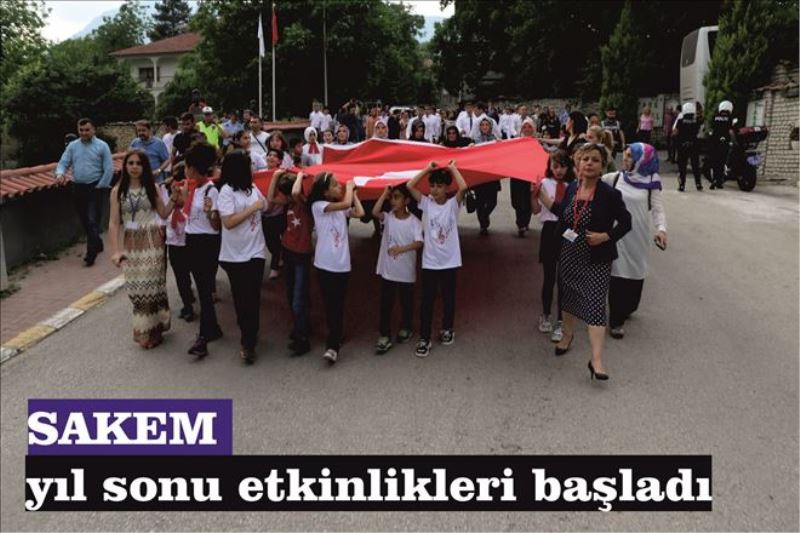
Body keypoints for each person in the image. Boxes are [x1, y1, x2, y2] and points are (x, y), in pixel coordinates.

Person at [534, 143, 631, 381]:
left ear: (602, 166)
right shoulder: (573, 188)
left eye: (595, 160)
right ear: (578, 164)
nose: (589, 163)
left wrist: (606, 236)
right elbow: (562, 212)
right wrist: (540, 195)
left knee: (596, 305)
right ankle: (567, 335)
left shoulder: (609, 194)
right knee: (568, 298)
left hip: (596, 258)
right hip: (569, 254)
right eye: (585, 159)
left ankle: (596, 360)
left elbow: (626, 222)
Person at [108, 150, 176, 348]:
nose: (134, 167)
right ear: (125, 166)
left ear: (144, 167)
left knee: (151, 286)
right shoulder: (117, 191)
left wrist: (174, 198)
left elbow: (163, 213)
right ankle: (151, 327)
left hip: (152, 240)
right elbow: (113, 223)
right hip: (131, 243)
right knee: (136, 290)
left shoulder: (152, 187)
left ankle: (150, 332)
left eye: (139, 163)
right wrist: (116, 251)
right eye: (130, 163)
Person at [602, 143, 667, 339]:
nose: (625, 158)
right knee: (618, 274)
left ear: (642, 160)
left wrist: (661, 229)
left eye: (630, 156)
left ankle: (628, 307)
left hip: (638, 237)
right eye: (625, 154)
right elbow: (590, 183)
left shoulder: (652, 182)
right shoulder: (614, 178)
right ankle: (616, 321)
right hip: (617, 235)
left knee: (636, 274)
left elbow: (658, 209)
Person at [406, 161, 469, 358]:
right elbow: (409, 185)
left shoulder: (452, 205)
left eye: (439, 186)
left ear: (447, 188)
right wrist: (427, 169)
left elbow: (464, 187)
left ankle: (447, 328)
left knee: (449, 297)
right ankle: (424, 338)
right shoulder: (426, 203)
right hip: (430, 262)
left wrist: (453, 169)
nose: (434, 190)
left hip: (450, 261)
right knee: (427, 300)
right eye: (432, 185)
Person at [216, 150, 269, 364]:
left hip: (255, 251)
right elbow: (228, 222)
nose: (252, 169)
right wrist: (252, 208)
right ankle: (246, 336)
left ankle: (250, 337)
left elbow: (265, 205)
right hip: (234, 256)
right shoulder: (226, 192)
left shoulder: (252, 188)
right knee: (241, 298)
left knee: (253, 296)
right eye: (248, 166)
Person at [308, 171, 365, 363]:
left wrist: (354, 195)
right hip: (325, 264)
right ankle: (332, 345)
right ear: (325, 192)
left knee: (337, 304)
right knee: (330, 304)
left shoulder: (340, 208)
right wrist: (349, 188)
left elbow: (360, 213)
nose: (339, 186)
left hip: (342, 265)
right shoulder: (318, 206)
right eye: (335, 185)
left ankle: (336, 334)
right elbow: (346, 204)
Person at [175, 142, 223, 358]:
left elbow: (216, 225)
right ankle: (213, 329)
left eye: (187, 166)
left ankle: (203, 337)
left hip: (207, 243)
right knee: (202, 290)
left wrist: (210, 211)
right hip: (192, 240)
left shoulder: (212, 190)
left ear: (193, 168)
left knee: (204, 290)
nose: (185, 170)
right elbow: (189, 215)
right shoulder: (194, 188)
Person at [371, 184, 424, 354]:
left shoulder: (414, 221)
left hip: (406, 270)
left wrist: (400, 249)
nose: (393, 201)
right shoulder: (388, 218)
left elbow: (419, 242)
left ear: (406, 200)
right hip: (389, 270)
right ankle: (384, 334)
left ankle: (406, 327)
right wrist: (384, 193)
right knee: (386, 303)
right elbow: (375, 212)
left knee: (406, 301)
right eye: (391, 198)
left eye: (397, 197)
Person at [55, 118, 114, 266]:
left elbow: (109, 168)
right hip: (78, 187)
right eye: (81, 130)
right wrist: (60, 174)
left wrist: (102, 185)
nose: (84, 133)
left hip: (95, 187)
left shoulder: (102, 146)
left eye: (87, 130)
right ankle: (97, 241)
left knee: (93, 220)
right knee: (84, 220)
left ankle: (90, 254)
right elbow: (63, 162)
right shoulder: (73, 146)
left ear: (93, 130)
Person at [531, 150, 576, 342]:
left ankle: (560, 321)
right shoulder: (544, 183)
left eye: (563, 166)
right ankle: (546, 313)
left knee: (564, 278)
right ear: (549, 167)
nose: (559, 170)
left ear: (569, 167)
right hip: (549, 230)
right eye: (555, 166)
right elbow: (536, 211)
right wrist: (533, 196)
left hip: (568, 231)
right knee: (549, 276)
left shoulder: (573, 186)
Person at [269, 170, 314, 356]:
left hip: (302, 254)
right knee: (292, 293)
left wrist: (300, 175)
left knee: (298, 298)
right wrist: (275, 176)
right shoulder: (289, 202)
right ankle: (301, 326)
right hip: (288, 251)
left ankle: (303, 338)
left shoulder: (306, 204)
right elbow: (271, 197)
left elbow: (295, 193)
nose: (286, 197)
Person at [471, 117, 502, 235]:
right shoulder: (475, 140)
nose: (484, 127)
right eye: (482, 125)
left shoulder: (495, 139)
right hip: (480, 175)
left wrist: (500, 145)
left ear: (490, 127)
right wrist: (471, 147)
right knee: (480, 202)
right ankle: (483, 224)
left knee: (492, 201)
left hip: (491, 175)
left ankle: (484, 215)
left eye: (487, 125)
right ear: (479, 127)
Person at [263, 148, 288, 279]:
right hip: (265, 215)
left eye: (275, 156)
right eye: (269, 155)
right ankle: (279, 257)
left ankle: (275, 266)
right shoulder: (260, 174)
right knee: (271, 242)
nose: (271, 157)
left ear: (279, 161)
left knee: (280, 241)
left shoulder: (283, 175)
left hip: (279, 214)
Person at [511, 117, 536, 236]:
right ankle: (522, 222)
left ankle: (522, 224)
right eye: (524, 127)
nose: (527, 129)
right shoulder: (515, 142)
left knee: (526, 201)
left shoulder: (537, 143)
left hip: (530, 177)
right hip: (516, 176)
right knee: (516, 201)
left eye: (529, 126)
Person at [674, 102, 702, 192]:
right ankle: (698, 184)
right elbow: (698, 130)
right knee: (695, 165)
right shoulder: (696, 121)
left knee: (682, 166)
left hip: (682, 145)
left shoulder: (680, 121)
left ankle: (682, 185)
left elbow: (675, 132)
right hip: (693, 145)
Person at [709, 100, 735, 190]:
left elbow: (711, 130)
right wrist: (733, 141)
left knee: (715, 162)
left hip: (714, 143)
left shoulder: (715, 117)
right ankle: (719, 182)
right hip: (724, 143)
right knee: (721, 162)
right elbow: (731, 131)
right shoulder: (730, 118)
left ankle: (714, 179)